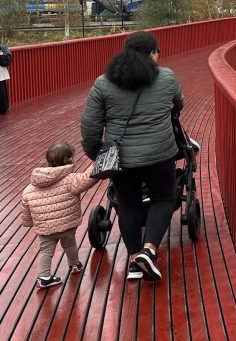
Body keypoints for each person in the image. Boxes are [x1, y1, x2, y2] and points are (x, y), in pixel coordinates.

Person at [80, 31, 184, 282]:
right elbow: (178, 104)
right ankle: (148, 251)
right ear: (152, 54)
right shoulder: (167, 77)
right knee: (163, 198)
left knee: (127, 205)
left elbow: (90, 124)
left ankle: (135, 259)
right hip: (160, 154)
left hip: (122, 157)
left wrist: (97, 154)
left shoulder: (104, 83)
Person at [21, 142, 97, 289]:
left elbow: (26, 206)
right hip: (67, 224)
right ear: (69, 160)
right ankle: (74, 265)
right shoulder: (70, 180)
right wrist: (97, 163)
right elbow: (88, 178)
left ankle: (44, 277)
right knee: (70, 245)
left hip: (45, 228)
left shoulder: (30, 188)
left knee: (46, 251)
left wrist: (28, 222)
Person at [0, 43, 10, 114]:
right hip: (2, 72)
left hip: (1, 72)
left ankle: (3, 108)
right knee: (3, 90)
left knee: (2, 90)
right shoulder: (1, 48)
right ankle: (4, 107)